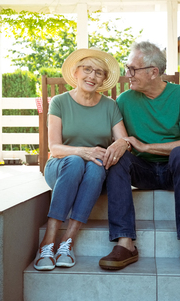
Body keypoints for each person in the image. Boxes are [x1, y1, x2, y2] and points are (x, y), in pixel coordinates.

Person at [98, 41, 180, 274]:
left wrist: (146, 146)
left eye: (132, 69)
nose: (127, 74)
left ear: (153, 72)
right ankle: (125, 243)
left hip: (174, 170)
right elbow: (118, 138)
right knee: (119, 157)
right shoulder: (124, 100)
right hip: (142, 171)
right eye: (127, 68)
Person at [33, 48, 132, 271]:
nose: (92, 76)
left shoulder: (110, 106)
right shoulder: (59, 102)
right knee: (78, 161)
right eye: (87, 69)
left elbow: (123, 141)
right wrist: (82, 151)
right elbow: (55, 148)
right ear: (76, 72)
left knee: (96, 167)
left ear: (104, 79)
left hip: (94, 174)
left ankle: (67, 241)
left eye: (99, 72)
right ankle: (48, 241)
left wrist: (120, 144)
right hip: (61, 168)